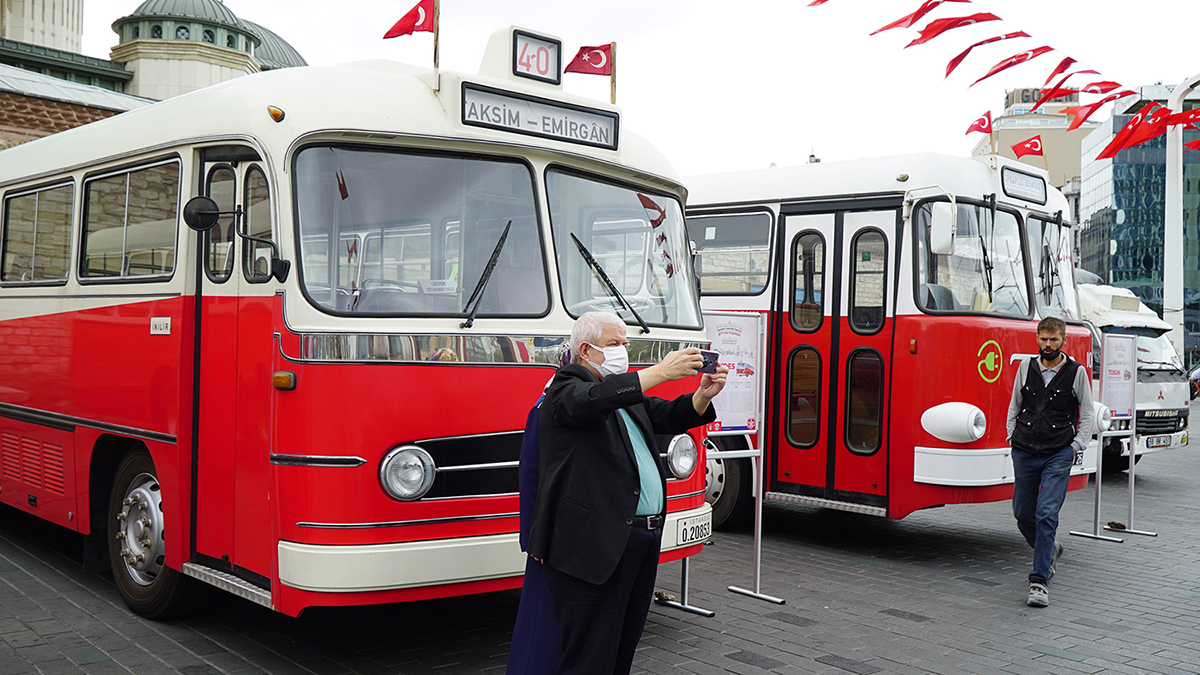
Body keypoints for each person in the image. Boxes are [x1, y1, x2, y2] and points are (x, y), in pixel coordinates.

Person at [528, 311, 727, 675]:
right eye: (615, 344)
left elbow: (667, 415)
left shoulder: (622, 392)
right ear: (586, 350)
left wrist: (701, 396)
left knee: (621, 649)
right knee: (590, 656)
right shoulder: (566, 388)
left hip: (640, 538)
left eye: (626, 344)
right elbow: (590, 401)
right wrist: (659, 373)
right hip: (594, 546)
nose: (624, 351)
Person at [1006, 316, 1094, 608]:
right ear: (1037, 339)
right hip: (1025, 451)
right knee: (1022, 514)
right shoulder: (1025, 368)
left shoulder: (1076, 372)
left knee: (1046, 514)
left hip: (1058, 453)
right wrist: (1011, 438)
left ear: (1063, 341)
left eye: (1053, 340)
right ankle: (1050, 549)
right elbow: (1014, 407)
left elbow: (1089, 413)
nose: (1048, 344)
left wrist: (1075, 446)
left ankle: (1039, 581)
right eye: (1043, 339)